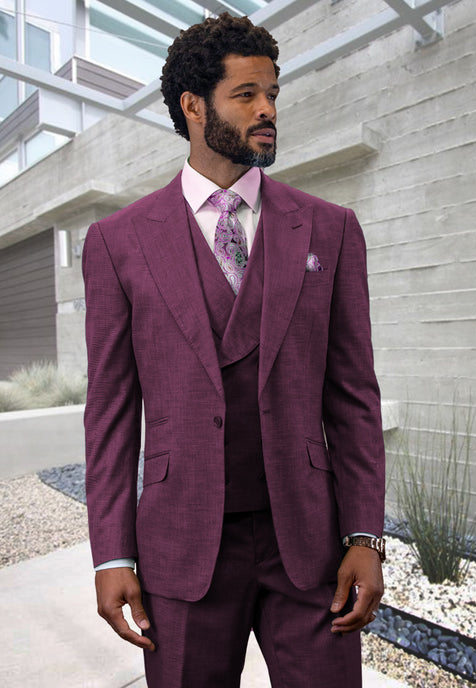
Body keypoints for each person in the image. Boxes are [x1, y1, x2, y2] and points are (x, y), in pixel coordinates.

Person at [83, 12, 386, 688]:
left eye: (272, 93)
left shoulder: (331, 231)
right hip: (181, 547)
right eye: (246, 95)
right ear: (193, 106)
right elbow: (108, 412)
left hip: (309, 547)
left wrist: (365, 535)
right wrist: (111, 555)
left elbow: (352, 396)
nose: (267, 110)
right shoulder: (117, 242)